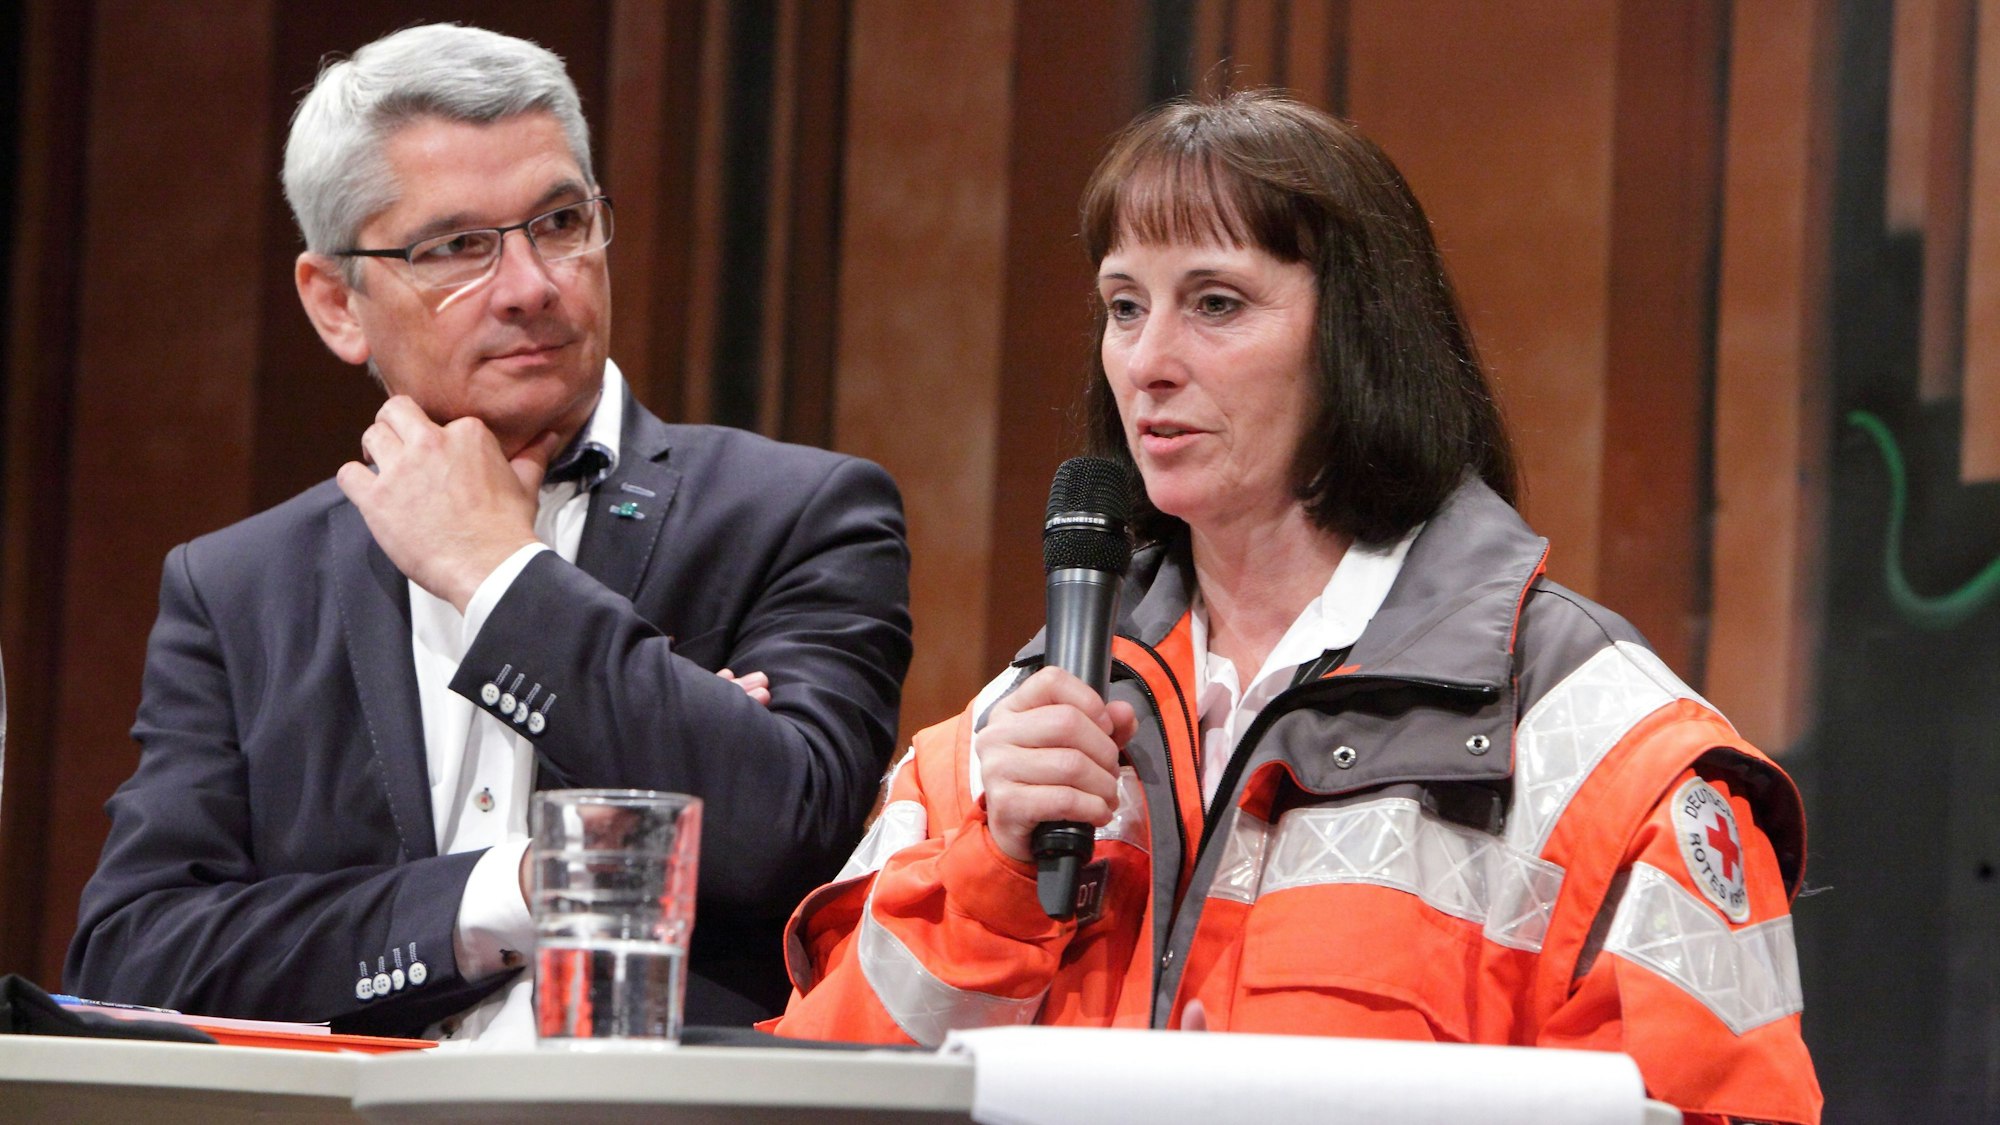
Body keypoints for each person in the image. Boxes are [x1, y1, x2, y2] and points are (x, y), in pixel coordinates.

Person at [773, 92, 1820, 1124]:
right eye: (1124, 307)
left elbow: (1718, 1110)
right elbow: (801, 1097)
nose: (1147, 364)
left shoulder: (1605, 758)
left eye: (1215, 303)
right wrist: (989, 881)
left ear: (1358, 340)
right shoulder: (1004, 747)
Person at [65, 23, 911, 1044]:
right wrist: (515, 886)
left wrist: (498, 577)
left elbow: (782, 832)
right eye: (457, 246)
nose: (531, 286)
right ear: (337, 303)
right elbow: (136, 958)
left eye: (560, 221)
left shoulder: (794, 515)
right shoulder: (239, 587)